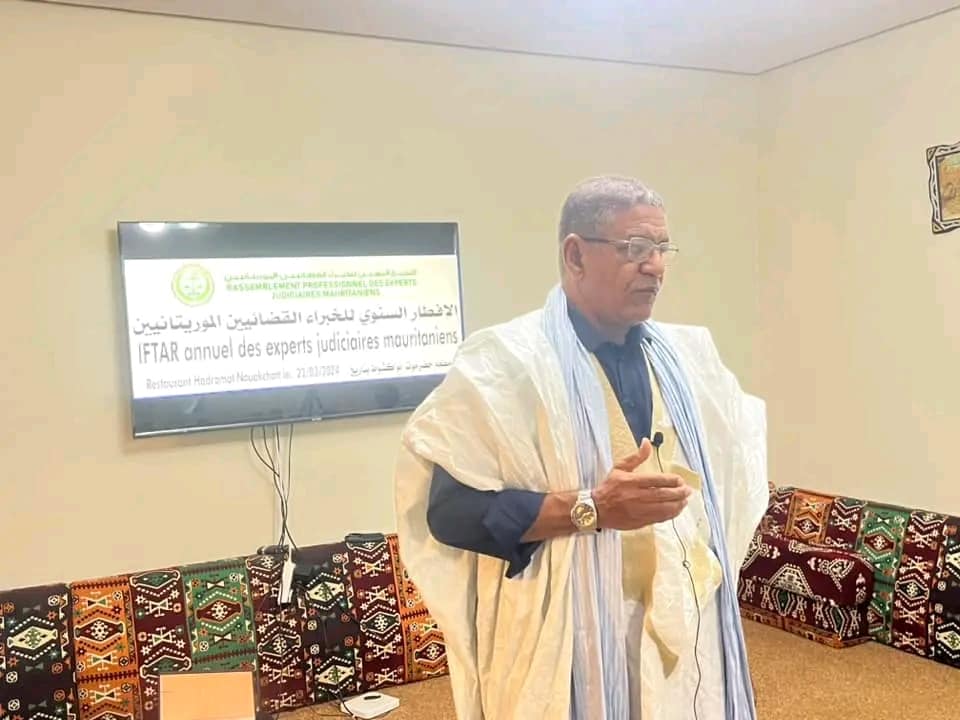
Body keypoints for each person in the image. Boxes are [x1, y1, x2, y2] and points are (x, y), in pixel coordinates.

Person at [394, 176, 769, 720]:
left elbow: (734, 471)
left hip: (684, 630)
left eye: (662, 249)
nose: (655, 266)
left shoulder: (689, 358)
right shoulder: (505, 363)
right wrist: (591, 508)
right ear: (575, 255)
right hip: (571, 636)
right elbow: (450, 514)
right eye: (635, 248)